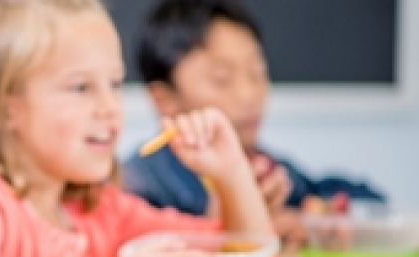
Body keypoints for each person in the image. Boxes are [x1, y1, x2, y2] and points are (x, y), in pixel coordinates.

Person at [0, 0, 272, 257]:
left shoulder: (104, 209)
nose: (111, 109)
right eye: (81, 87)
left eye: (115, 85)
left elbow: (243, 256)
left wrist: (231, 172)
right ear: (4, 109)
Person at [122, 0, 386, 241]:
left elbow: (373, 202)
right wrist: (232, 214)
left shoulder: (266, 169)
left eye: (257, 73)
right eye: (221, 79)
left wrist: (313, 219)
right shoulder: (138, 183)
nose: (249, 95)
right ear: (164, 99)